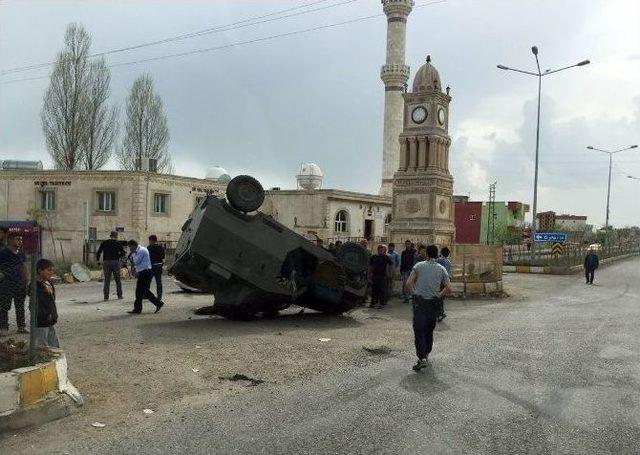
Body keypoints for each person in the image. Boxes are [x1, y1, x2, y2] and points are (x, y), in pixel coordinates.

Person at [405, 244, 451, 371]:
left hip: (420, 303)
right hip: (433, 303)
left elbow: (408, 283)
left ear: (426, 253)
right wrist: (438, 296)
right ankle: (426, 354)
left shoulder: (418, 266)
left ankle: (422, 358)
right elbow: (449, 288)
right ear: (436, 254)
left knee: (419, 330)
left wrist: (415, 294)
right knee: (429, 329)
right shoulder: (442, 269)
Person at [0, 232, 28, 336]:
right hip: (6, 284)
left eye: (21, 239)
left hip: (20, 284)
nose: (20, 241)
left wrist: (26, 280)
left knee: (20, 306)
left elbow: (24, 266)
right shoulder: (3, 252)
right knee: (4, 306)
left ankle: (21, 327)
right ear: (10, 240)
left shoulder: (21, 253)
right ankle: (3, 327)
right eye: (17, 239)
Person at [127, 240, 164, 314]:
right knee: (141, 291)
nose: (130, 249)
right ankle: (139, 309)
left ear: (133, 246)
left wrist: (132, 255)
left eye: (130, 247)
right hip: (142, 272)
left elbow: (136, 261)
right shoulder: (137, 251)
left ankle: (157, 303)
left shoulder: (141, 250)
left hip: (145, 272)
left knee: (143, 291)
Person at [32, 259, 60, 348]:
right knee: (42, 347)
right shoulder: (35, 285)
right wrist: (43, 290)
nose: (51, 272)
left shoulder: (49, 283)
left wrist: (54, 315)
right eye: (49, 270)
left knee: (54, 345)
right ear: (40, 271)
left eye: (52, 270)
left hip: (51, 319)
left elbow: (52, 301)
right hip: (41, 322)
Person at [96, 231, 126, 301]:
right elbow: (123, 253)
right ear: (116, 236)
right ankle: (119, 295)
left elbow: (98, 252)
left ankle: (106, 297)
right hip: (115, 262)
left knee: (107, 280)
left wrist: (98, 261)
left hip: (106, 262)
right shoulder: (118, 243)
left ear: (110, 236)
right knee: (118, 280)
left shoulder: (104, 243)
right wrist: (117, 256)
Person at [369, 244, 392, 309]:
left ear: (384, 250)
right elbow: (371, 267)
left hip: (383, 276)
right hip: (375, 276)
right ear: (378, 250)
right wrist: (369, 275)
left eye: (382, 250)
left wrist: (389, 274)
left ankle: (381, 304)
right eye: (380, 250)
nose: (381, 251)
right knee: (374, 290)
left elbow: (390, 265)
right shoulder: (374, 257)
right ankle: (373, 303)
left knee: (382, 290)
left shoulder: (386, 257)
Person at [436, 246, 452, 322]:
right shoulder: (449, 262)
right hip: (446, 282)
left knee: (438, 298)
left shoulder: (439, 260)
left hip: (439, 281)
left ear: (441, 252)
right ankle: (440, 312)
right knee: (441, 298)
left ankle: (440, 313)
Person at [147, 235, 166, 300]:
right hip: (159, 265)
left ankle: (146, 295)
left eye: (149, 241)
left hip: (152, 266)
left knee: (148, 281)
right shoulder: (161, 247)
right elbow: (163, 256)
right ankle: (159, 296)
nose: (149, 242)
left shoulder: (149, 248)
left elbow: (147, 257)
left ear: (151, 240)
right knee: (159, 282)